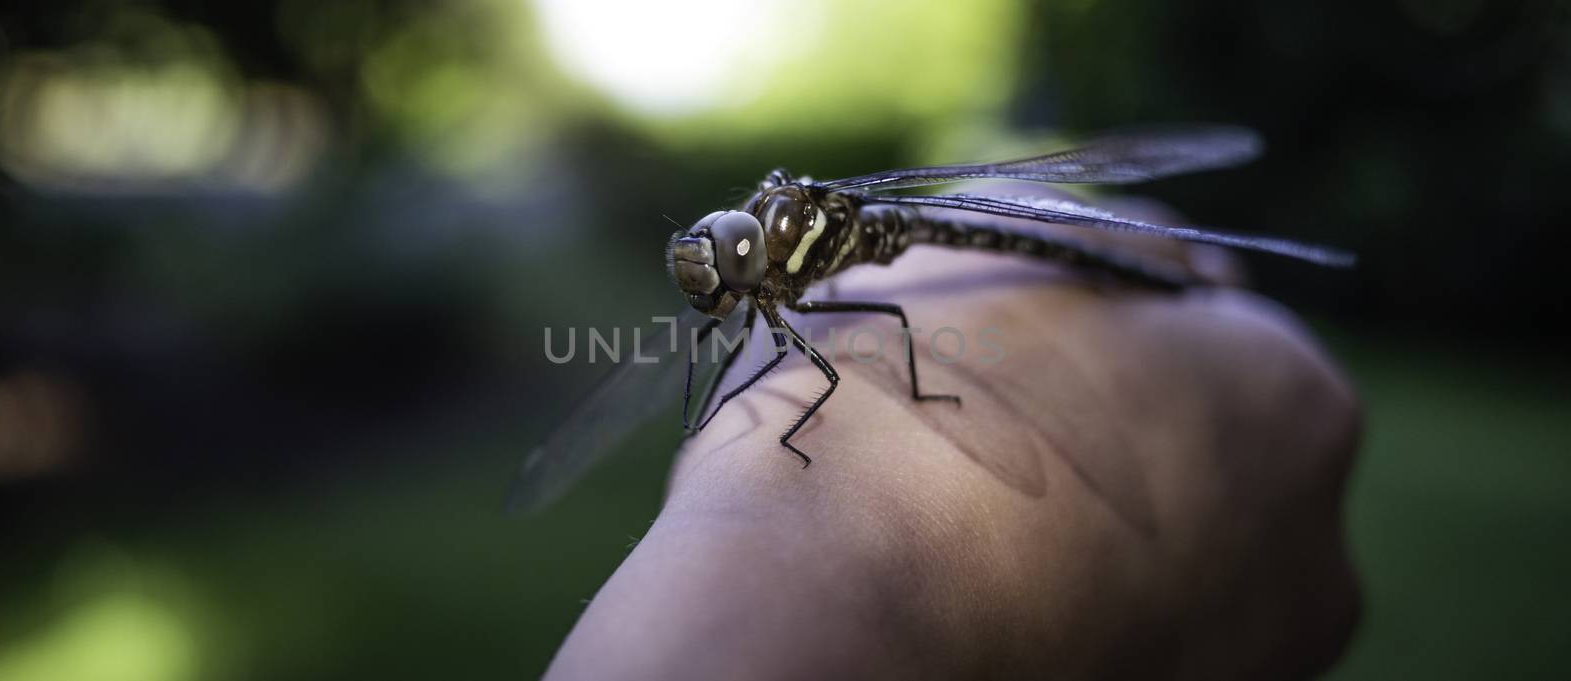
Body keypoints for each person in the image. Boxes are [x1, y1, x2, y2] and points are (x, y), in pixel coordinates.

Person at [543, 192, 1362, 680]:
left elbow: (840, 362)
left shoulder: (793, 249)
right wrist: (757, 524)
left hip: (1005, 250)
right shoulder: (758, 266)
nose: (718, 279)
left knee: (859, 337)